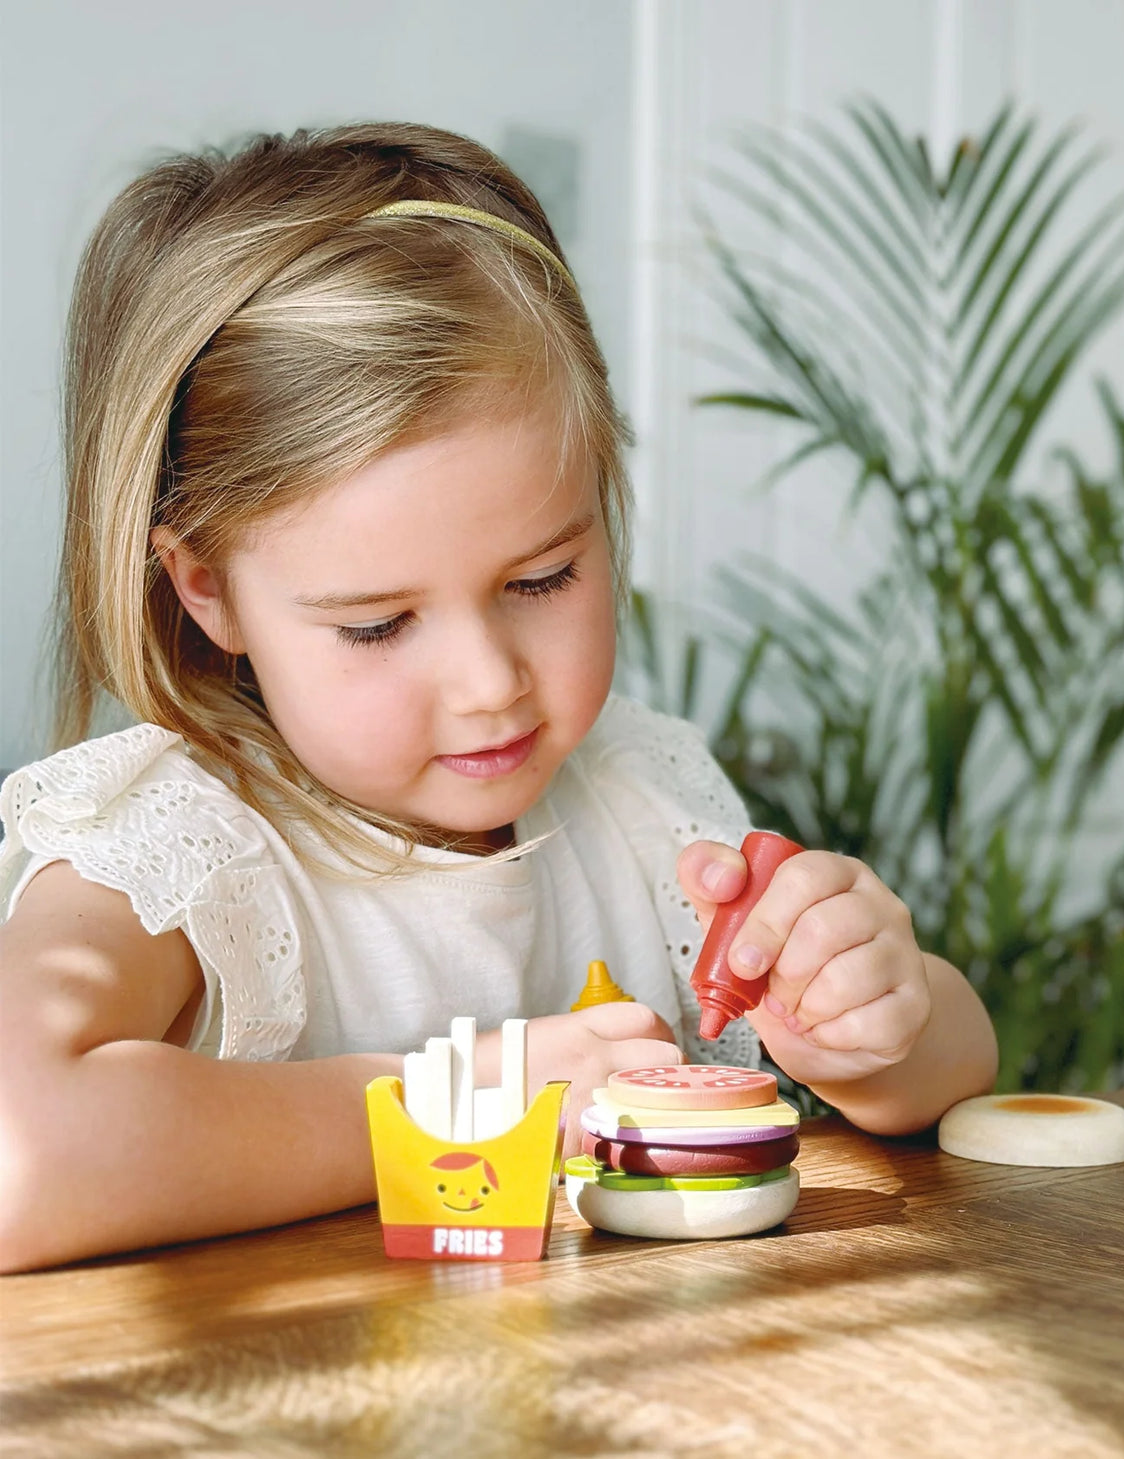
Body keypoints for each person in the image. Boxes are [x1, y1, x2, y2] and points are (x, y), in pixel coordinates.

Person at [0, 122, 997, 1273]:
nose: (489, 685)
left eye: (542, 577)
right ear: (209, 591)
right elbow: (21, 1156)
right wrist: (455, 1102)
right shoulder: (176, 847)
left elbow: (946, 1067)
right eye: (377, 623)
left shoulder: (637, 796)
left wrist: (873, 1026)